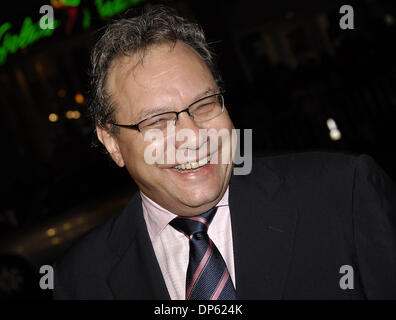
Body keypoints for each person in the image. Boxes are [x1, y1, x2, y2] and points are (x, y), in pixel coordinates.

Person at [53, 5, 396, 300]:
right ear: (112, 142)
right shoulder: (82, 279)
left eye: (203, 105)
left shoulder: (344, 195)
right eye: (156, 121)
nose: (191, 135)